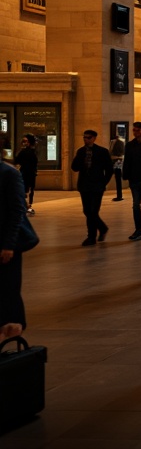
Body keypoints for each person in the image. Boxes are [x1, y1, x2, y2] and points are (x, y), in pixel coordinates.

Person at [0, 150, 29, 339]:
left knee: (8, 287)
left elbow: (18, 210)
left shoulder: (9, 173)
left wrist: (9, 244)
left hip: (4, 242)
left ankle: (14, 326)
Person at [71, 129, 114, 246]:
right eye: (84, 137)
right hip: (84, 185)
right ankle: (102, 228)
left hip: (97, 186)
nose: (86, 139)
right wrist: (79, 157)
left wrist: (103, 183)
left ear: (94, 138)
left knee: (93, 211)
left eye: (88, 137)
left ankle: (91, 237)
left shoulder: (102, 152)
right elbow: (74, 168)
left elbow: (109, 169)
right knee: (87, 211)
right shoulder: (80, 152)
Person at [14, 135, 38, 216]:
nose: (25, 143)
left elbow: (17, 161)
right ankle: (28, 205)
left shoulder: (23, 152)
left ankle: (26, 205)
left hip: (25, 173)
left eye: (26, 141)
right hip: (31, 173)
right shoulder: (33, 152)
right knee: (30, 190)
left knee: (23, 190)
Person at [109, 130, 126, 201]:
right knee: (117, 177)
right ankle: (119, 195)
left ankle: (119, 195)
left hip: (117, 161)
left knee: (118, 177)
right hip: (116, 160)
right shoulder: (114, 142)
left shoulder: (119, 142)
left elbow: (120, 152)